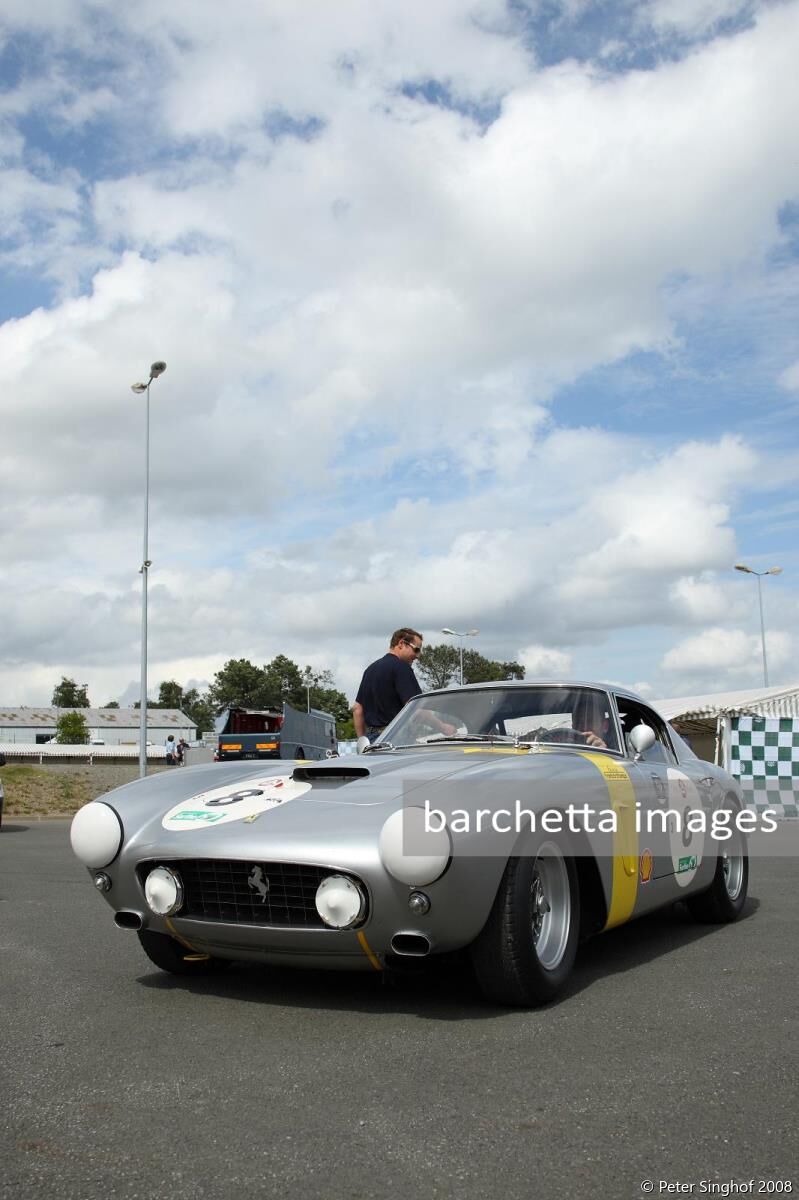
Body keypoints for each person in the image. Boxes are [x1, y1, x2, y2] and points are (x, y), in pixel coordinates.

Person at [353, 628, 458, 743]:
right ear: (402, 643)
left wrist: (363, 741)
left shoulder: (370, 670)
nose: (418, 656)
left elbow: (357, 709)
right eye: (416, 649)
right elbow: (417, 709)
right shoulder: (401, 667)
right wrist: (442, 727)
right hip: (396, 739)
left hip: (372, 740)